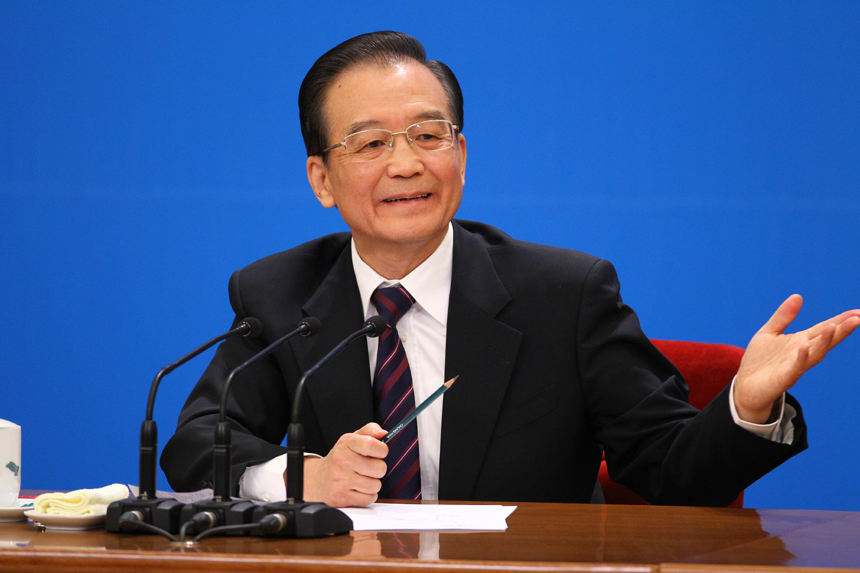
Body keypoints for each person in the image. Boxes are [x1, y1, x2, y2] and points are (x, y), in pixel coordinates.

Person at [161, 31, 860, 508]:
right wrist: (304, 475)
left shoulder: (565, 295)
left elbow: (673, 467)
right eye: (371, 142)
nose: (407, 163)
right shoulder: (281, 294)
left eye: (430, 135)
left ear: (460, 155)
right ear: (322, 178)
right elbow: (195, 446)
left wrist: (748, 404)